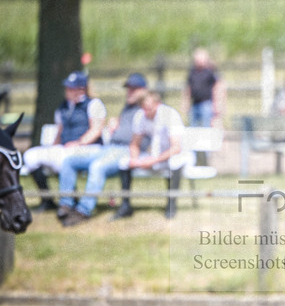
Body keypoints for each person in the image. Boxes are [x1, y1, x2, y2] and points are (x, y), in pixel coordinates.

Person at [58, 73, 148, 227]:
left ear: (143, 90)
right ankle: (66, 204)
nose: (129, 92)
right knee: (69, 161)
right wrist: (115, 122)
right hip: (109, 147)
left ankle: (83, 210)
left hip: (126, 150)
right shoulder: (128, 107)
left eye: (134, 89)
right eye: (128, 89)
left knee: (97, 166)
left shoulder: (147, 108)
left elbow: (142, 136)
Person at [22, 71, 106, 211]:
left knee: (63, 159)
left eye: (71, 88)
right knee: (30, 156)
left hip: (88, 148)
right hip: (65, 148)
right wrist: (53, 147)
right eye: (67, 87)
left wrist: (79, 142)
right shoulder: (63, 107)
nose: (67, 91)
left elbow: (96, 130)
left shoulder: (93, 104)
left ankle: (68, 201)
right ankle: (47, 199)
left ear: (81, 89)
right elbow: (60, 132)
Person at [117, 90, 189, 219]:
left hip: (176, 155)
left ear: (157, 104)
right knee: (124, 162)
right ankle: (125, 205)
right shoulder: (140, 116)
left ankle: (171, 205)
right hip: (156, 156)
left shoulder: (169, 115)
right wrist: (135, 160)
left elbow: (176, 148)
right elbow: (134, 144)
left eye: (149, 108)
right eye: (144, 108)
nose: (146, 112)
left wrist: (153, 161)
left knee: (175, 162)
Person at [181, 47, 225, 127]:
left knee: (206, 127)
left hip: (207, 104)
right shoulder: (192, 71)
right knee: (192, 127)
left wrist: (217, 104)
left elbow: (218, 87)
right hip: (194, 103)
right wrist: (185, 102)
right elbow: (188, 88)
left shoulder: (210, 71)